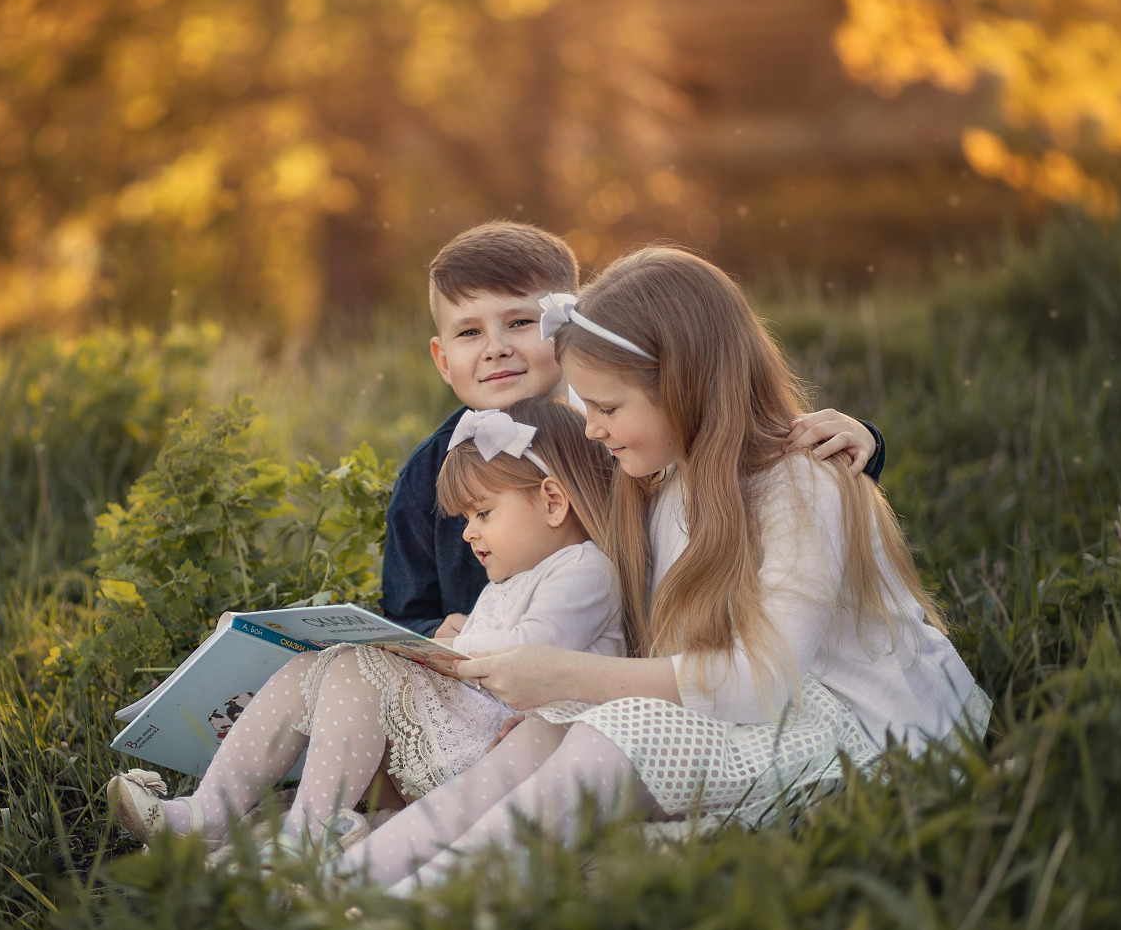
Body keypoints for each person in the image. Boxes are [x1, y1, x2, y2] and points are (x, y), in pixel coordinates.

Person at [335, 247, 988, 890]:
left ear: (684, 388)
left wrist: (567, 674)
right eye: (585, 405)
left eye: (607, 409)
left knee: (607, 732)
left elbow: (762, 685)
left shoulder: (801, 487)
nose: (589, 429)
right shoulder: (654, 471)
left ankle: (427, 898)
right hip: (737, 708)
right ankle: (357, 875)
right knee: (555, 728)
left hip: (859, 727)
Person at [107, 397, 624, 853]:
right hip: (463, 732)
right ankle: (209, 812)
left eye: (483, 513)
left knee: (359, 668)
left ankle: (306, 835)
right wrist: (453, 635)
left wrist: (447, 645)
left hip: (493, 753)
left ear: (554, 501)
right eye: (467, 518)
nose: (469, 532)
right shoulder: (517, 577)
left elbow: (530, 655)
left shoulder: (584, 569)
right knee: (316, 665)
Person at [383, 221, 887, 637]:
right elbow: (407, 604)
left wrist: (860, 444)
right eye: (470, 332)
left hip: (636, 652)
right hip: (494, 671)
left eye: (519, 323)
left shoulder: (622, 429)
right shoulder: (432, 472)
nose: (495, 348)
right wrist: (433, 631)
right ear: (442, 359)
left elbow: (748, 462)